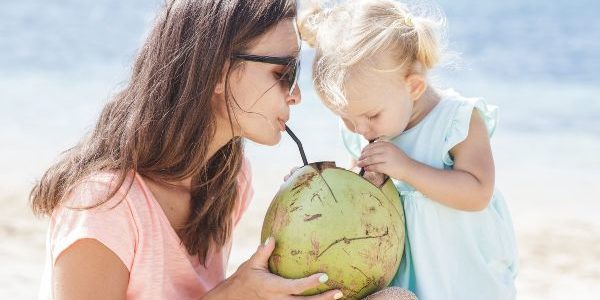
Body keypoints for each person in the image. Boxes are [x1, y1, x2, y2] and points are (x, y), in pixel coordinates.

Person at [30, 0, 344, 299]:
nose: (296, 95)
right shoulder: (103, 206)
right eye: (284, 74)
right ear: (219, 72)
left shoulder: (228, 181)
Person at [299, 0, 519, 299]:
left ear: (413, 87)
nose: (360, 129)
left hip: (465, 278)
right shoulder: (364, 133)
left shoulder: (456, 122)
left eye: (371, 116)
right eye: (345, 118)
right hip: (406, 281)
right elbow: (357, 202)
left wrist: (407, 170)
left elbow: (478, 192)